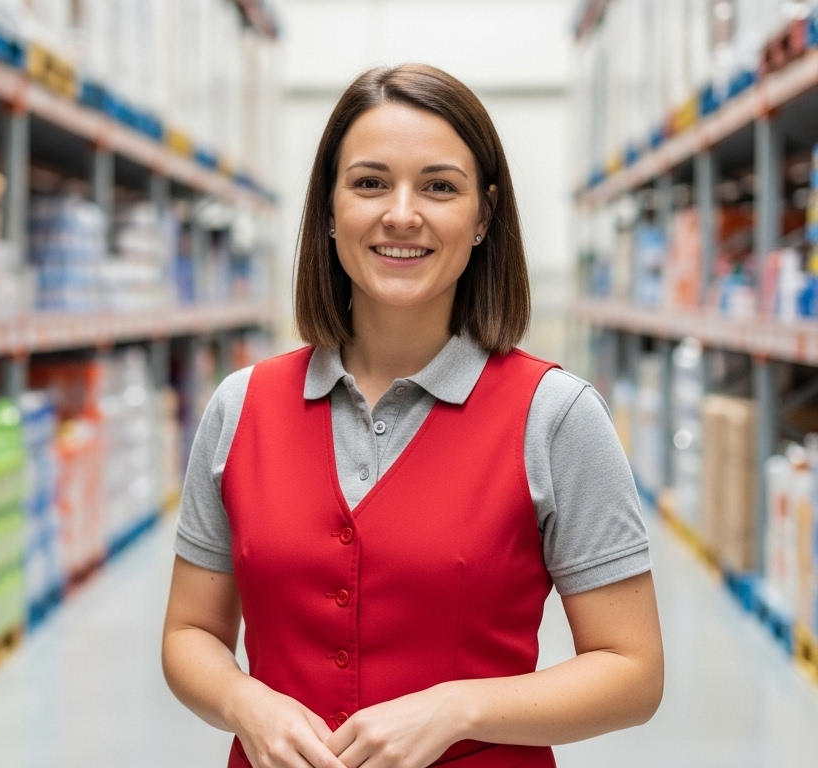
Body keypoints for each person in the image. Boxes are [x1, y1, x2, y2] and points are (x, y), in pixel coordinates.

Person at [161, 64, 663, 768]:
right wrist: (246, 703)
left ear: (484, 216)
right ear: (330, 211)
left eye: (439, 186)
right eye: (369, 183)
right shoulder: (240, 408)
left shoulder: (554, 417)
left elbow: (633, 670)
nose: (402, 213)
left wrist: (462, 707)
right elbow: (189, 632)